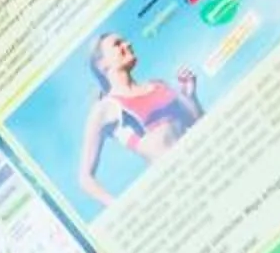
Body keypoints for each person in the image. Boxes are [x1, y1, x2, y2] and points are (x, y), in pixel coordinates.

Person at [76, 32, 199, 206]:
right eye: (117, 44)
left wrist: (191, 96)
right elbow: (85, 178)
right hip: (173, 188)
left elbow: (199, 122)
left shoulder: (160, 85)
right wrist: (118, 206)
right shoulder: (105, 108)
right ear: (102, 64)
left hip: (200, 162)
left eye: (125, 41)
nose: (127, 44)